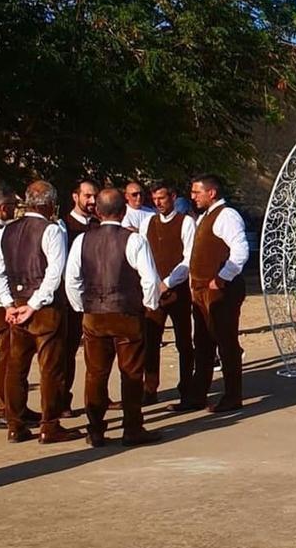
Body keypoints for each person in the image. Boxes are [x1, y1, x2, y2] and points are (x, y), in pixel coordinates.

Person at [65, 187, 161, 447]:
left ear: (98, 210)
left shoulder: (82, 240)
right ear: (123, 211)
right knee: (131, 372)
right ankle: (132, 428)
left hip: (94, 313)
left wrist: (81, 306)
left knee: (95, 373)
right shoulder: (134, 240)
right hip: (126, 312)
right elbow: (150, 279)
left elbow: (71, 280)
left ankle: (95, 430)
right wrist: (149, 305)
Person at [0, 180, 79, 444]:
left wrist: (8, 304)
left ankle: (15, 424)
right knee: (51, 369)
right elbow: (54, 272)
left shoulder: (7, 230)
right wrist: (35, 304)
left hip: (17, 305)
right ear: (49, 204)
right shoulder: (50, 230)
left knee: (17, 366)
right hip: (44, 309)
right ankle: (49, 425)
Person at [0, 185, 39, 428]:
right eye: (13, 206)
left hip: (2, 298)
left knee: (15, 353)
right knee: (9, 353)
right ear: (3, 208)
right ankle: (5, 408)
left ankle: (15, 405)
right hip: (0, 300)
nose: (15, 210)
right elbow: (1, 268)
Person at [185, 175, 248, 413]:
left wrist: (222, 278)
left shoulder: (227, 216)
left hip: (220, 291)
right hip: (201, 290)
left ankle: (233, 396)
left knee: (226, 343)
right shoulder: (204, 217)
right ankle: (197, 395)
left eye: (196, 192)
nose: (193, 197)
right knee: (201, 343)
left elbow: (240, 250)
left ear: (211, 193)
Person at [141, 180, 196, 407]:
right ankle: (149, 389)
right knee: (150, 340)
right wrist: (152, 284)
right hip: (153, 292)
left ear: (173, 196)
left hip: (178, 291)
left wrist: (169, 282)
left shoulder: (186, 223)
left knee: (184, 342)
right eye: (154, 199)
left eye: (162, 198)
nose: (158, 203)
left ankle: (187, 389)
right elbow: (142, 255)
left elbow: (188, 258)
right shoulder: (148, 223)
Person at [61, 178, 100, 415]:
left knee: (98, 356)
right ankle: (62, 401)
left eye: (95, 196)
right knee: (66, 353)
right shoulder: (63, 226)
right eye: (87, 196)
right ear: (75, 197)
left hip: (98, 299)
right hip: (72, 299)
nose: (92, 201)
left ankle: (97, 399)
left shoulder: (98, 225)